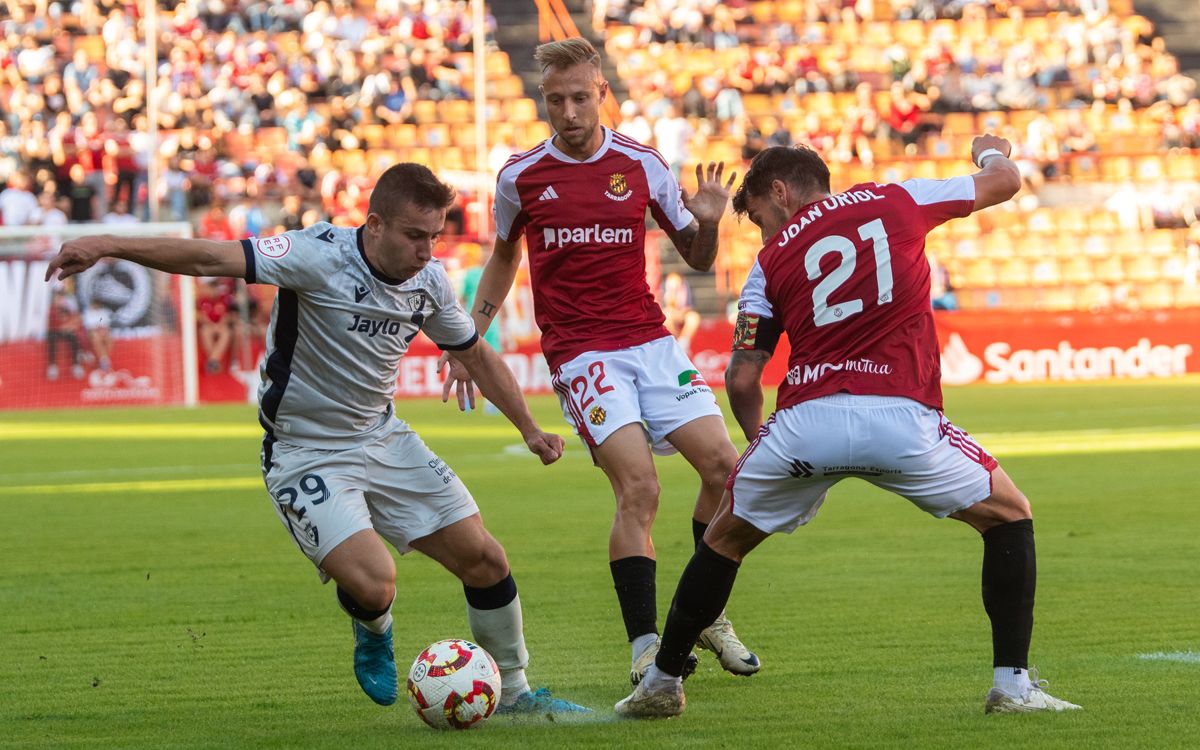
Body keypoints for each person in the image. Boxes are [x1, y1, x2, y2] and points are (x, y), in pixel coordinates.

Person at [45, 162, 589, 716]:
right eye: (414, 236)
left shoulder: (429, 282)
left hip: (382, 437)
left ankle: (517, 693)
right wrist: (107, 244)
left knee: (486, 559)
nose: (427, 251)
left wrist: (530, 429)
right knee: (377, 584)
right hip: (304, 449)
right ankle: (374, 628)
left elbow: (474, 352)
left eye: (435, 237)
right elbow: (211, 257)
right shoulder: (316, 254)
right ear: (374, 224)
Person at [616, 139, 1082, 717]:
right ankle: (1012, 688)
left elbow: (741, 377)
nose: (763, 234)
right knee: (1009, 514)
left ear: (780, 192)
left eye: (759, 216)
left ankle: (661, 684)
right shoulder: (897, 199)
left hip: (804, 424)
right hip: (901, 417)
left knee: (721, 542)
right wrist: (990, 152)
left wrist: (765, 442)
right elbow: (1006, 182)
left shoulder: (769, 263)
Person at [441, 38, 760, 686]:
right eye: (555, 100)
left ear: (602, 94)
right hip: (583, 351)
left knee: (727, 471)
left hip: (650, 339)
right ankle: (646, 646)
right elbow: (505, 256)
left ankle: (704, 612)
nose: (568, 111)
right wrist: (471, 338)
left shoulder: (642, 164)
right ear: (544, 100)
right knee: (640, 486)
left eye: (580, 98)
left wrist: (709, 221)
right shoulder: (520, 176)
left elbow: (696, 257)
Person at [660, 271, 701, 355]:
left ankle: (683, 343)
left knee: (693, 318)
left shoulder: (686, 288)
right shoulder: (664, 289)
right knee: (666, 316)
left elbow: (690, 306)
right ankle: (674, 342)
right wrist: (671, 292)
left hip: (684, 313)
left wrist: (681, 313)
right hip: (670, 314)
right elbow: (665, 307)